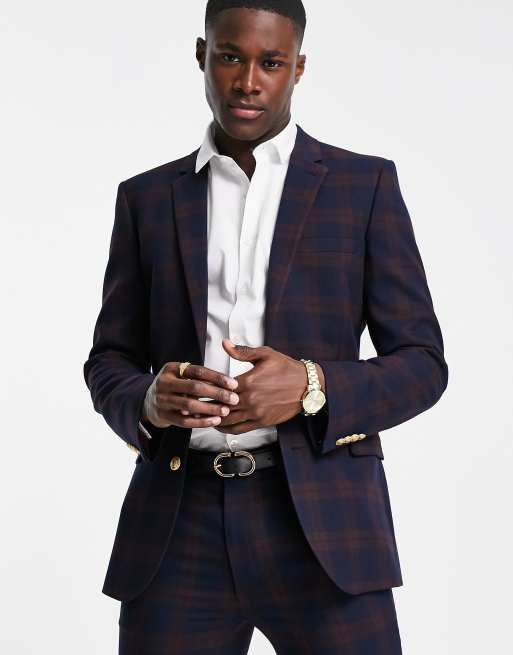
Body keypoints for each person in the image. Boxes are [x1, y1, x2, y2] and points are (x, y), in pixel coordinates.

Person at [83, 1, 449, 652]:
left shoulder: (362, 187)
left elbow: (423, 363)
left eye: (270, 63)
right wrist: (147, 398)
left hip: (323, 522)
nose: (248, 81)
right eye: (230, 57)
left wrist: (311, 386)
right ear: (202, 56)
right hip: (178, 524)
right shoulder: (146, 198)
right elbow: (109, 358)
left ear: (297, 68)